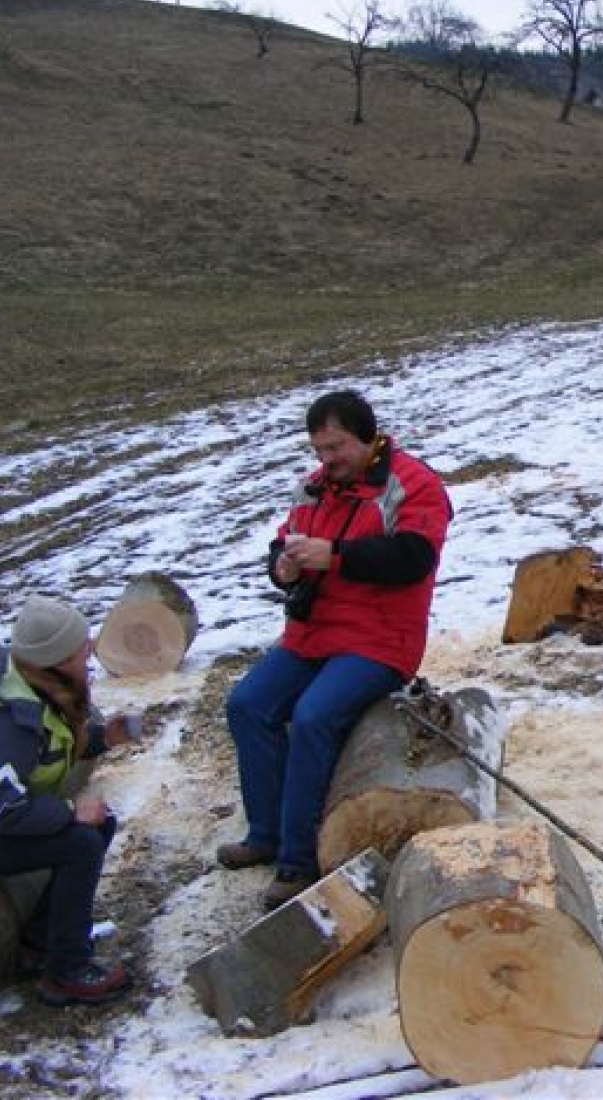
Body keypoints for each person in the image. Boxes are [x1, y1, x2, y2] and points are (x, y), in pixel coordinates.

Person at [219, 390, 452, 910]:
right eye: (320, 449)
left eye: (337, 446)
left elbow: (414, 558)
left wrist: (336, 557)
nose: (328, 460)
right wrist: (284, 565)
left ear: (368, 436)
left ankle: (299, 861)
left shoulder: (412, 485)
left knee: (312, 716)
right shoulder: (314, 488)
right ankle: (266, 833)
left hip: (380, 638)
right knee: (247, 705)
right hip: (313, 634)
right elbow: (284, 541)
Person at [0, 598, 138, 1006]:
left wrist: (102, 739)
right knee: (79, 843)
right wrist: (68, 812)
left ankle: (40, 940)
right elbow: (1, 810)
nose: (92, 648)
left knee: (96, 826)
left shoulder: (41, 689)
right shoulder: (5, 723)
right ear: (59, 658)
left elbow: (43, 755)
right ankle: (66, 971)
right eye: (83, 645)